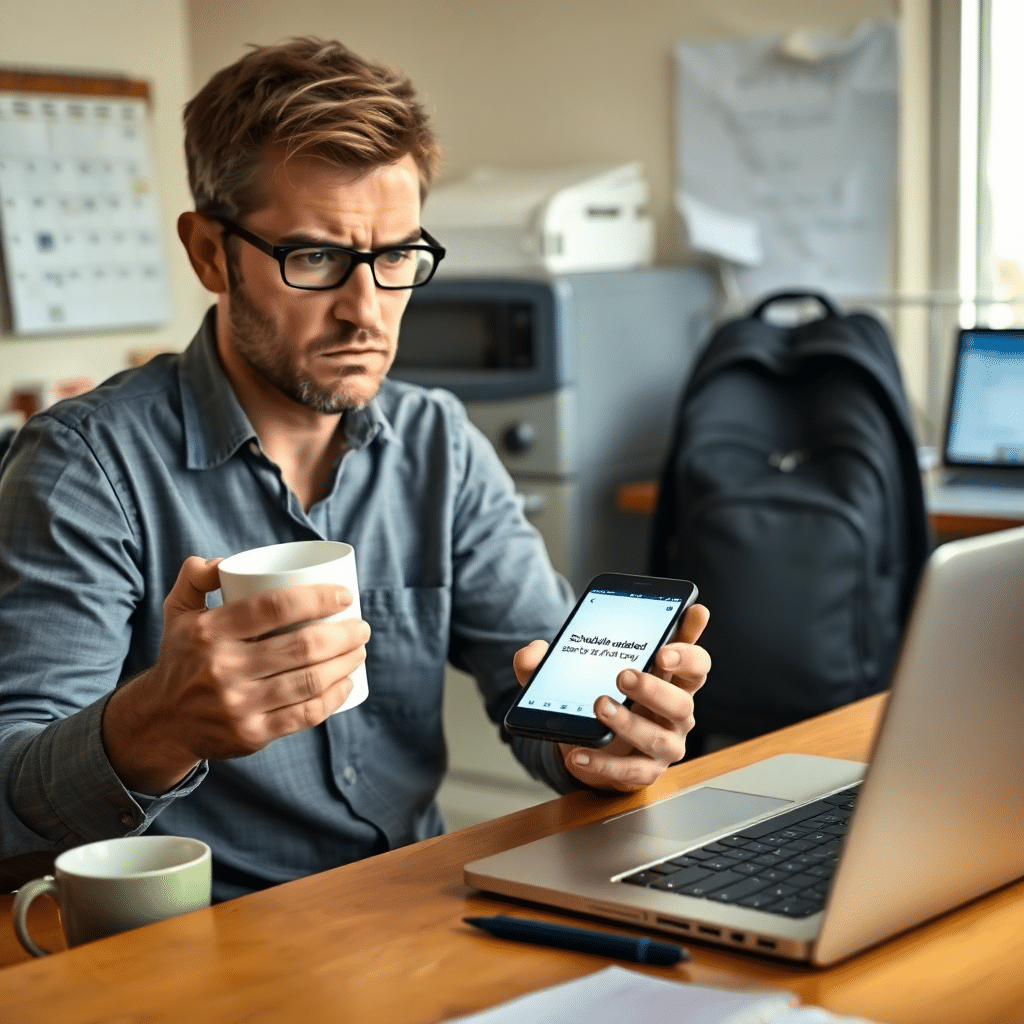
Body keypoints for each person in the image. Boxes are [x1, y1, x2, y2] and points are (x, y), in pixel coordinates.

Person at [0, 38, 710, 901]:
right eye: (315, 258)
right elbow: (9, 802)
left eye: (396, 257)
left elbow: (544, 702)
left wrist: (607, 741)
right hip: (209, 941)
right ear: (210, 255)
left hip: (417, 914)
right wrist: (157, 723)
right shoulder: (87, 467)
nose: (366, 311)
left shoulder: (437, 445)